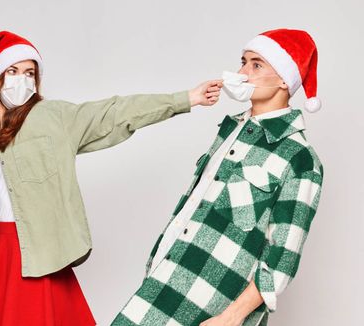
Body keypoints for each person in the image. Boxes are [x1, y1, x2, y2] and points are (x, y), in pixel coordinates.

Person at [0, 30, 222, 325]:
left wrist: (185, 99)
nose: (22, 81)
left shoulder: (55, 118)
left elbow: (115, 112)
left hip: (45, 249)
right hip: (7, 251)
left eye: (29, 74)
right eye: (13, 72)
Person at [111, 28, 324, 326]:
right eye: (243, 61)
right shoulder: (231, 130)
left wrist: (231, 318)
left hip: (214, 307)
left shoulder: (299, 158)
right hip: (166, 278)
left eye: (256, 64)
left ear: (283, 80)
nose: (241, 72)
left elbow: (282, 256)